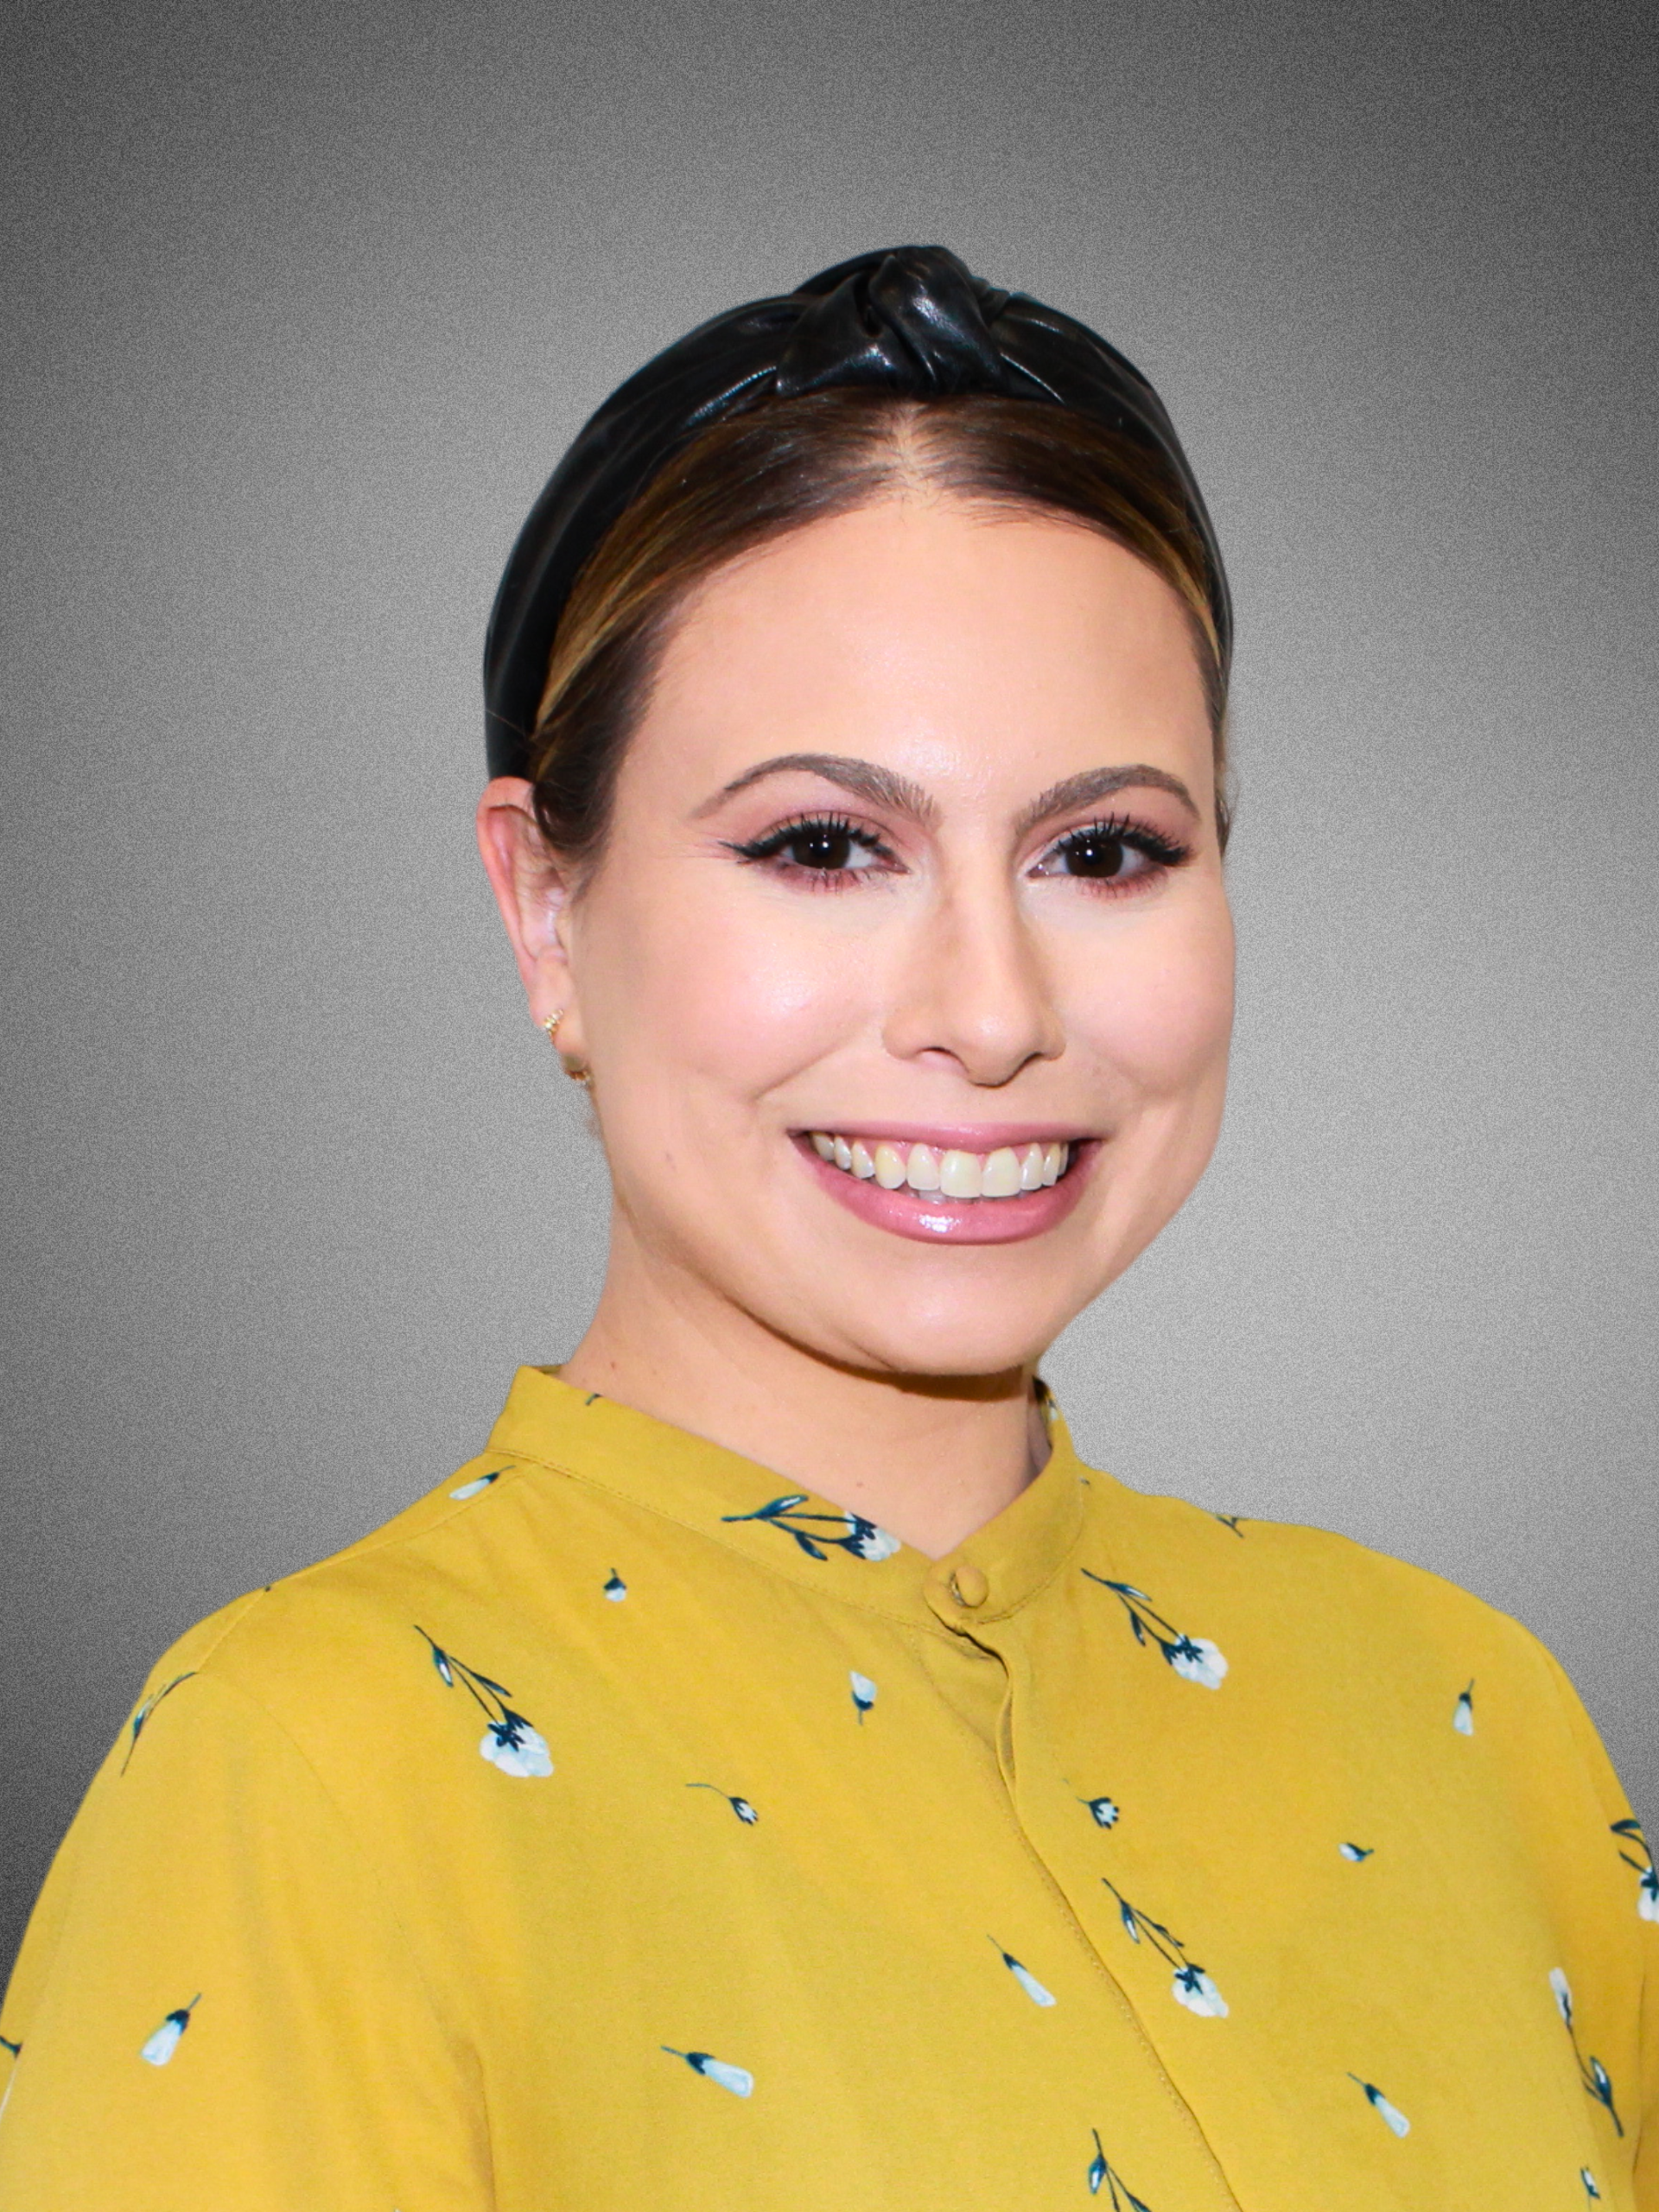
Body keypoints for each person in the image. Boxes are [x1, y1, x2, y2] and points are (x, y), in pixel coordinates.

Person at [0, 245, 1651, 2209]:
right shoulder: (306, 1771)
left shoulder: (1469, 1714)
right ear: (545, 908)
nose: (991, 1004)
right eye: (822, 845)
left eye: (1105, 849)